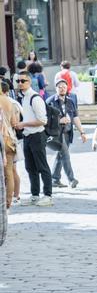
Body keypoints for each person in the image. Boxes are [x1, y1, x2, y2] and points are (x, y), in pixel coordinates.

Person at [13, 72, 52, 206]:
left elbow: (42, 120)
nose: (20, 83)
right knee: (30, 167)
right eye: (18, 81)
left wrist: (23, 124)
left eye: (23, 81)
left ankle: (48, 195)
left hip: (37, 135)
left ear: (29, 82)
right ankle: (35, 195)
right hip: (27, 136)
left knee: (42, 166)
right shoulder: (23, 98)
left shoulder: (35, 98)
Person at [47, 79, 87, 188]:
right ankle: (71, 179)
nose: (62, 89)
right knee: (65, 154)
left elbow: (75, 117)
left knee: (61, 155)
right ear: (56, 88)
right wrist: (59, 121)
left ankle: (55, 179)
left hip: (68, 132)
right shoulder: (50, 101)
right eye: (59, 87)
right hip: (56, 134)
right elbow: (45, 120)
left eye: (64, 87)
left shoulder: (70, 101)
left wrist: (82, 132)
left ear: (67, 88)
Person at [0, 79, 19, 209]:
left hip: (1, 139)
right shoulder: (10, 101)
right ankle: (8, 202)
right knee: (9, 172)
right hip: (9, 140)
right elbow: (14, 123)